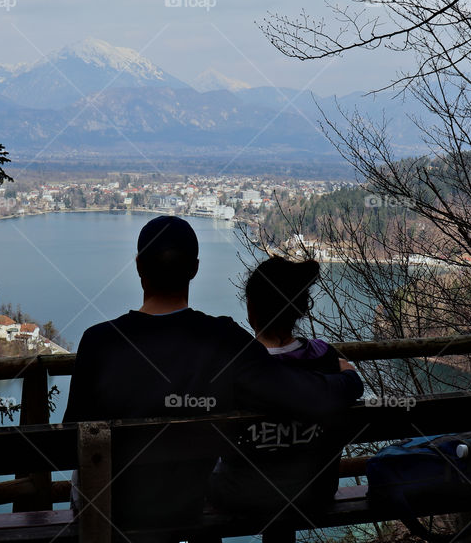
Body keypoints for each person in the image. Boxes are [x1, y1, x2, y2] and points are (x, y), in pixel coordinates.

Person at [63, 216, 362, 531]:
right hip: (182, 508)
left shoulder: (99, 341)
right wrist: (348, 379)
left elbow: (71, 440)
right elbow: (300, 395)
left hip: (110, 511)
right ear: (194, 269)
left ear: (139, 266)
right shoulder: (225, 340)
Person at [207, 256, 349, 514]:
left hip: (240, 497)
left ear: (251, 308)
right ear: (301, 309)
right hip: (314, 494)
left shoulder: (235, 368)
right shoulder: (326, 358)